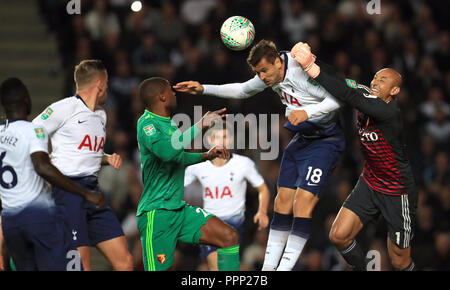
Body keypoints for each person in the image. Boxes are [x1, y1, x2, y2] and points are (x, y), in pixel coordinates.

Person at [174, 39, 345, 271]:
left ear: (277, 61)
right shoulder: (272, 72)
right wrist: (204, 88)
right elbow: (243, 89)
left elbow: (337, 98)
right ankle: (268, 269)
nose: (262, 77)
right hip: (303, 138)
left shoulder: (299, 70)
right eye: (258, 72)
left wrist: (307, 112)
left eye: (264, 70)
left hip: (326, 140)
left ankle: (283, 269)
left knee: (302, 202)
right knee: (282, 201)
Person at [291, 42, 418, 271]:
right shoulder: (364, 94)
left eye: (383, 80)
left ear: (394, 91)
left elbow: (349, 95)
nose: (375, 82)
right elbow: (341, 82)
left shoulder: (390, 112)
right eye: (375, 78)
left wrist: (310, 66)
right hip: (370, 182)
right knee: (339, 235)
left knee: (399, 261)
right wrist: (313, 59)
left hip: (397, 190)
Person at [32, 60, 133, 271]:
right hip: (68, 192)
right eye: (107, 82)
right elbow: (33, 130)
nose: (108, 87)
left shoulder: (101, 115)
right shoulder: (64, 108)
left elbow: (86, 151)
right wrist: (43, 157)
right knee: (81, 265)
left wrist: (106, 158)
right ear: (100, 83)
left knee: (125, 261)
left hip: (93, 193)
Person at [0, 77, 106, 271]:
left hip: (10, 221)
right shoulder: (33, 130)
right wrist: (85, 193)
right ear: (26, 100)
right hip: (38, 217)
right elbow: (42, 166)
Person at [136, 77, 240, 271]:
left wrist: (205, 156)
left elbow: (177, 158)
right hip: (157, 214)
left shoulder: (169, 124)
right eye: (171, 91)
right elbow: (168, 153)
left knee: (229, 236)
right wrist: (200, 125)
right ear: (162, 97)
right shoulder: (147, 124)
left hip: (178, 210)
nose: (174, 94)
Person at [184, 123, 270, 270]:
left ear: (230, 139)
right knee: (216, 268)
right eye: (217, 137)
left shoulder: (243, 164)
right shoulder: (198, 166)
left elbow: (263, 189)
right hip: (209, 225)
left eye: (225, 137)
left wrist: (262, 211)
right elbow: (175, 187)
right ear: (210, 141)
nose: (221, 141)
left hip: (235, 226)